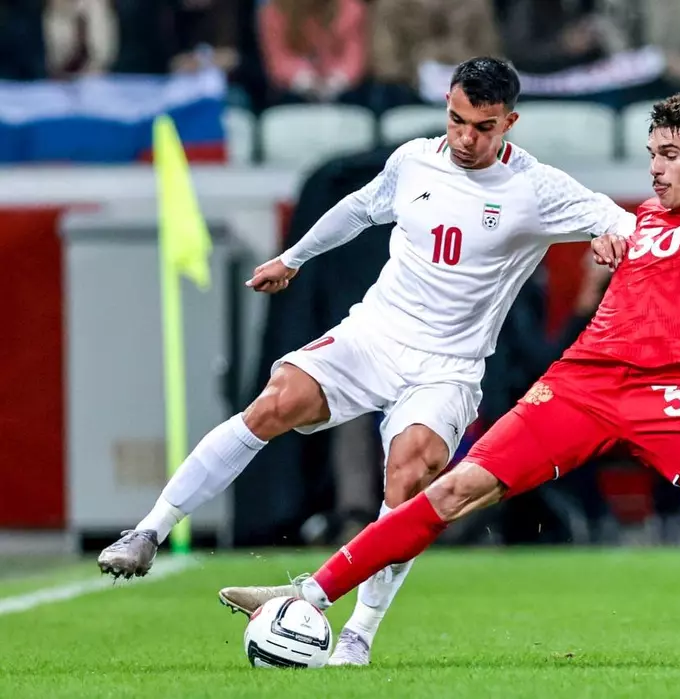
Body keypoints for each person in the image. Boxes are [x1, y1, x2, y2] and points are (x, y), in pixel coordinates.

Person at [220, 18, 680, 662]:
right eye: (652, 154)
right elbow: (603, 238)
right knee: (450, 490)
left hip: (671, 395)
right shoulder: (638, 220)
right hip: (580, 383)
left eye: (669, 155)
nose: (655, 168)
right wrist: (609, 244)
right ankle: (309, 594)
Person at [96, 56, 636, 662]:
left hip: (449, 366)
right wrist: (292, 259)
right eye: (456, 120)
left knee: (410, 474)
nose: (464, 138)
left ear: (509, 122)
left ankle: (358, 635)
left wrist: (608, 235)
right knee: (276, 401)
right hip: (374, 335)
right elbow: (358, 209)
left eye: (482, 127)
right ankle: (149, 531)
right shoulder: (414, 161)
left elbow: (627, 223)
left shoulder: (537, 188)